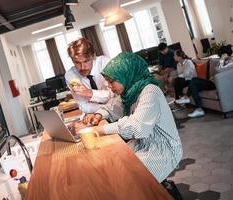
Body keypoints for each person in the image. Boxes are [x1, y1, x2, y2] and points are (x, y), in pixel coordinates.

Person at [77, 52, 182, 183]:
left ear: (125, 74)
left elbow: (137, 127)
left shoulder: (150, 92)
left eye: (111, 81)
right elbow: (111, 107)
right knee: (110, 166)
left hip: (163, 150)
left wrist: (99, 130)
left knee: (124, 179)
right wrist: (99, 115)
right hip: (143, 144)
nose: (109, 86)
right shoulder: (129, 92)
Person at [176, 44, 233, 118]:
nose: (220, 57)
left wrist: (222, 59)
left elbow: (219, 70)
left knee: (193, 80)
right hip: (211, 82)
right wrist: (222, 60)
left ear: (224, 54)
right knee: (194, 84)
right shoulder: (222, 61)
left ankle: (187, 98)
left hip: (216, 84)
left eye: (220, 55)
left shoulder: (231, 61)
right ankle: (199, 109)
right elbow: (218, 69)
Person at [64, 38, 114, 113]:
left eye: (86, 61)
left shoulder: (106, 63)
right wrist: (104, 110)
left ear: (93, 56)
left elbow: (114, 95)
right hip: (96, 114)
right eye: (77, 62)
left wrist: (90, 93)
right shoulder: (70, 76)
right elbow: (83, 105)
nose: (82, 67)